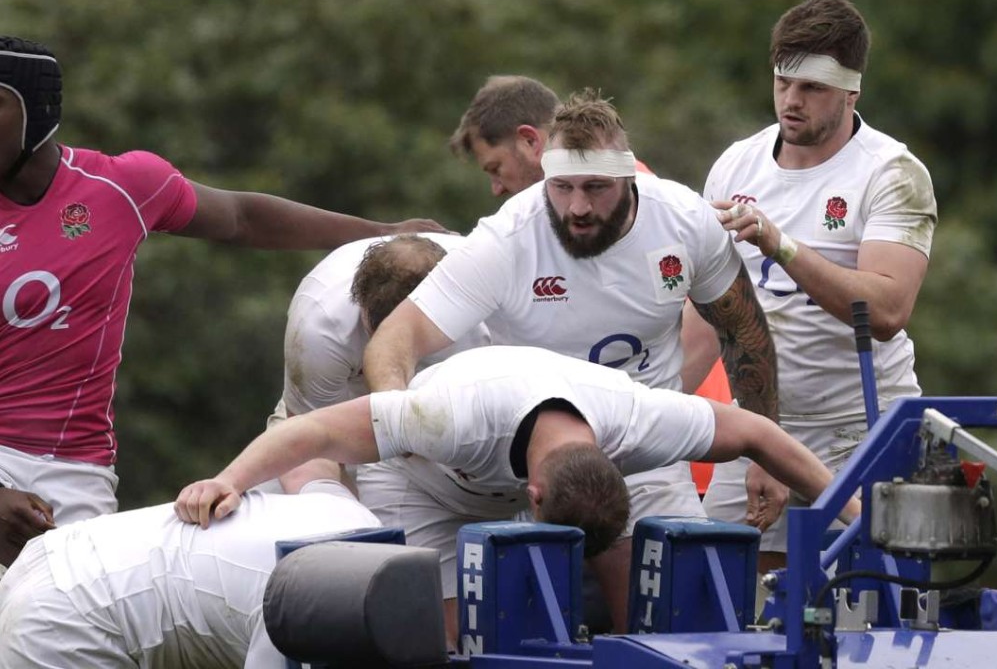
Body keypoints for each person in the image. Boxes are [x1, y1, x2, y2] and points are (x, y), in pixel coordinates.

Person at [361, 89, 784, 627]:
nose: (578, 207)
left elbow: (744, 331)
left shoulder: (683, 220)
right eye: (561, 187)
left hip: (641, 442)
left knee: (681, 626)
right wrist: (399, 416)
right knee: (508, 635)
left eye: (595, 188)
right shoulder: (509, 237)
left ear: (630, 179)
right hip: (530, 460)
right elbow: (396, 339)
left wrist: (764, 455)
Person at [0, 36, 447, 537]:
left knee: (59, 611)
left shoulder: (121, 187)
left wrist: (382, 233)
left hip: (77, 473)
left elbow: (242, 218)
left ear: (37, 110)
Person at [175, 346, 860, 642]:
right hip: (428, 483)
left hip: (526, 462)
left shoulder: (640, 423)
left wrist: (856, 513)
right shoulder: (448, 415)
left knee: (642, 625)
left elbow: (759, 434)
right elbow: (312, 427)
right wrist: (229, 479)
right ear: (533, 496)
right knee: (441, 641)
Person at [702, 0, 938, 573]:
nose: (791, 100)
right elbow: (705, 316)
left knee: (868, 602)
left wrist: (781, 246)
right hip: (759, 422)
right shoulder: (736, 164)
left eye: (812, 87)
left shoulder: (892, 173)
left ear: (852, 91)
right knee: (722, 593)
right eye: (783, 81)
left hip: (863, 425)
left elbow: (887, 309)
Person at [450, 75, 730, 493]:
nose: (495, 186)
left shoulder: (628, 197)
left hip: (666, 459)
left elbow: (712, 324)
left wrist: (634, 421)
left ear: (530, 142)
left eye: (495, 167)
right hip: (600, 456)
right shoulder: (540, 225)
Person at [0, 474, 381, 668]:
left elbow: (310, 450)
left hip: (72, 564)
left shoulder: (361, 521)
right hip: (67, 613)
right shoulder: (307, 612)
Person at [259, 233, 490, 495]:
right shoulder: (319, 329)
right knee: (307, 485)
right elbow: (310, 437)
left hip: (444, 413)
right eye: (380, 333)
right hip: (341, 401)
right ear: (360, 300)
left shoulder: (483, 304)